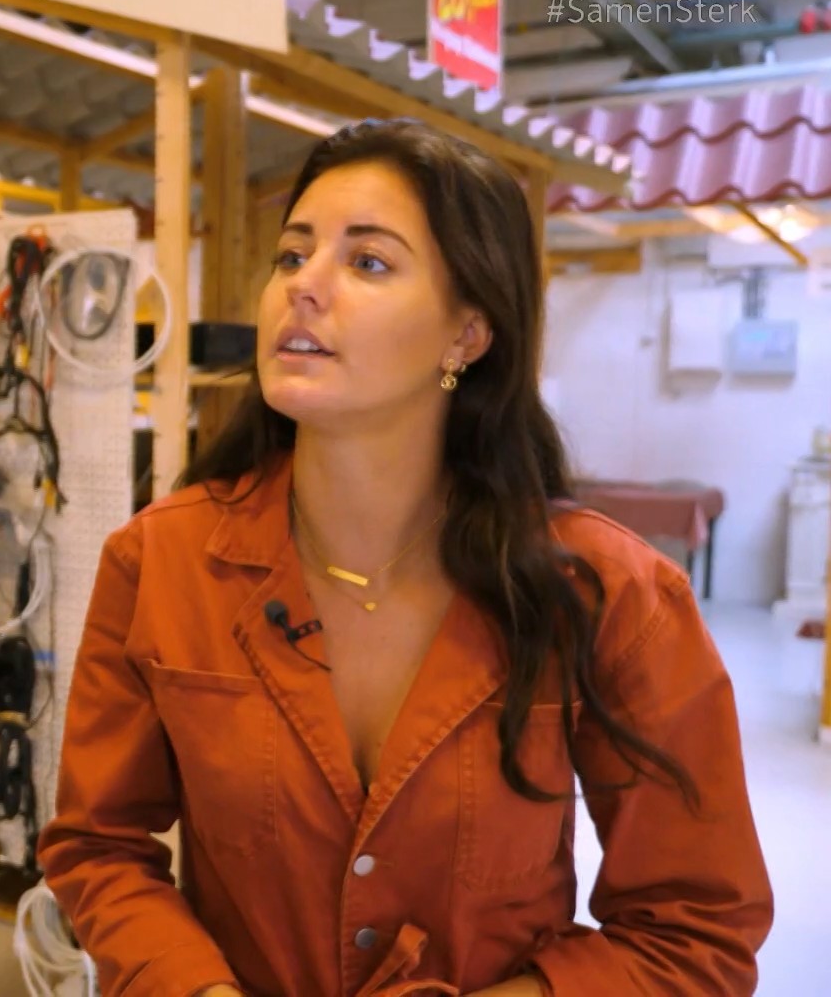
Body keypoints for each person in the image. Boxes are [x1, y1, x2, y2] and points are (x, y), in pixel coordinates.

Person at [40, 119, 771, 997]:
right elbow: (100, 846)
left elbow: (696, 928)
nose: (304, 286)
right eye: (291, 255)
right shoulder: (160, 561)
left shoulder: (611, 594)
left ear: (467, 334)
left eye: (368, 262)